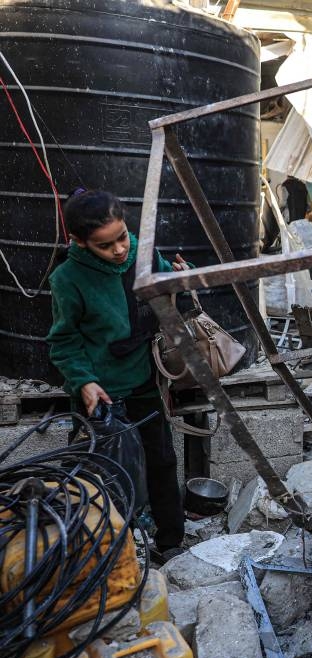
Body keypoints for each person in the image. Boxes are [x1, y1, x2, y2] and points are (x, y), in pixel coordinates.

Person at [47, 189, 189, 562]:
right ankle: (112, 552)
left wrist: (178, 281)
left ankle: (171, 541)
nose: (119, 250)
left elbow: (167, 297)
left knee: (161, 460)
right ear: (78, 241)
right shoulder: (69, 279)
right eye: (105, 245)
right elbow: (63, 343)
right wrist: (83, 382)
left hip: (143, 380)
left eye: (122, 237)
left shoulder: (142, 253)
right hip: (101, 393)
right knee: (106, 473)